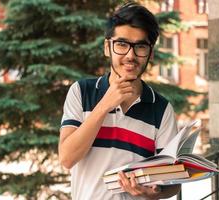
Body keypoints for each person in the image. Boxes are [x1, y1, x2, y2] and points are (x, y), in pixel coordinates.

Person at [59, 2, 181, 199]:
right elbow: (67, 158)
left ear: (150, 53)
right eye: (122, 44)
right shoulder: (81, 92)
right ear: (108, 47)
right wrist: (105, 104)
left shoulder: (162, 109)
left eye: (140, 46)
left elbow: (173, 183)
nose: (130, 56)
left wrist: (153, 192)